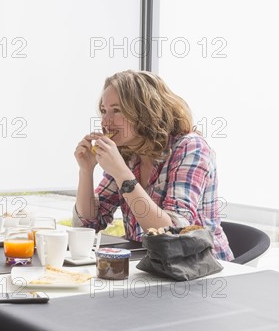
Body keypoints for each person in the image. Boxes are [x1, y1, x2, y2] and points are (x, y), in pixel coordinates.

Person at [73, 70, 233, 261]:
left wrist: (122, 173)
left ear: (144, 111)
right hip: (151, 267)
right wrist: (86, 170)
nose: (106, 121)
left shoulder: (190, 148)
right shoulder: (127, 154)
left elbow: (173, 233)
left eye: (116, 110)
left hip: (201, 270)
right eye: (104, 110)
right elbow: (87, 225)